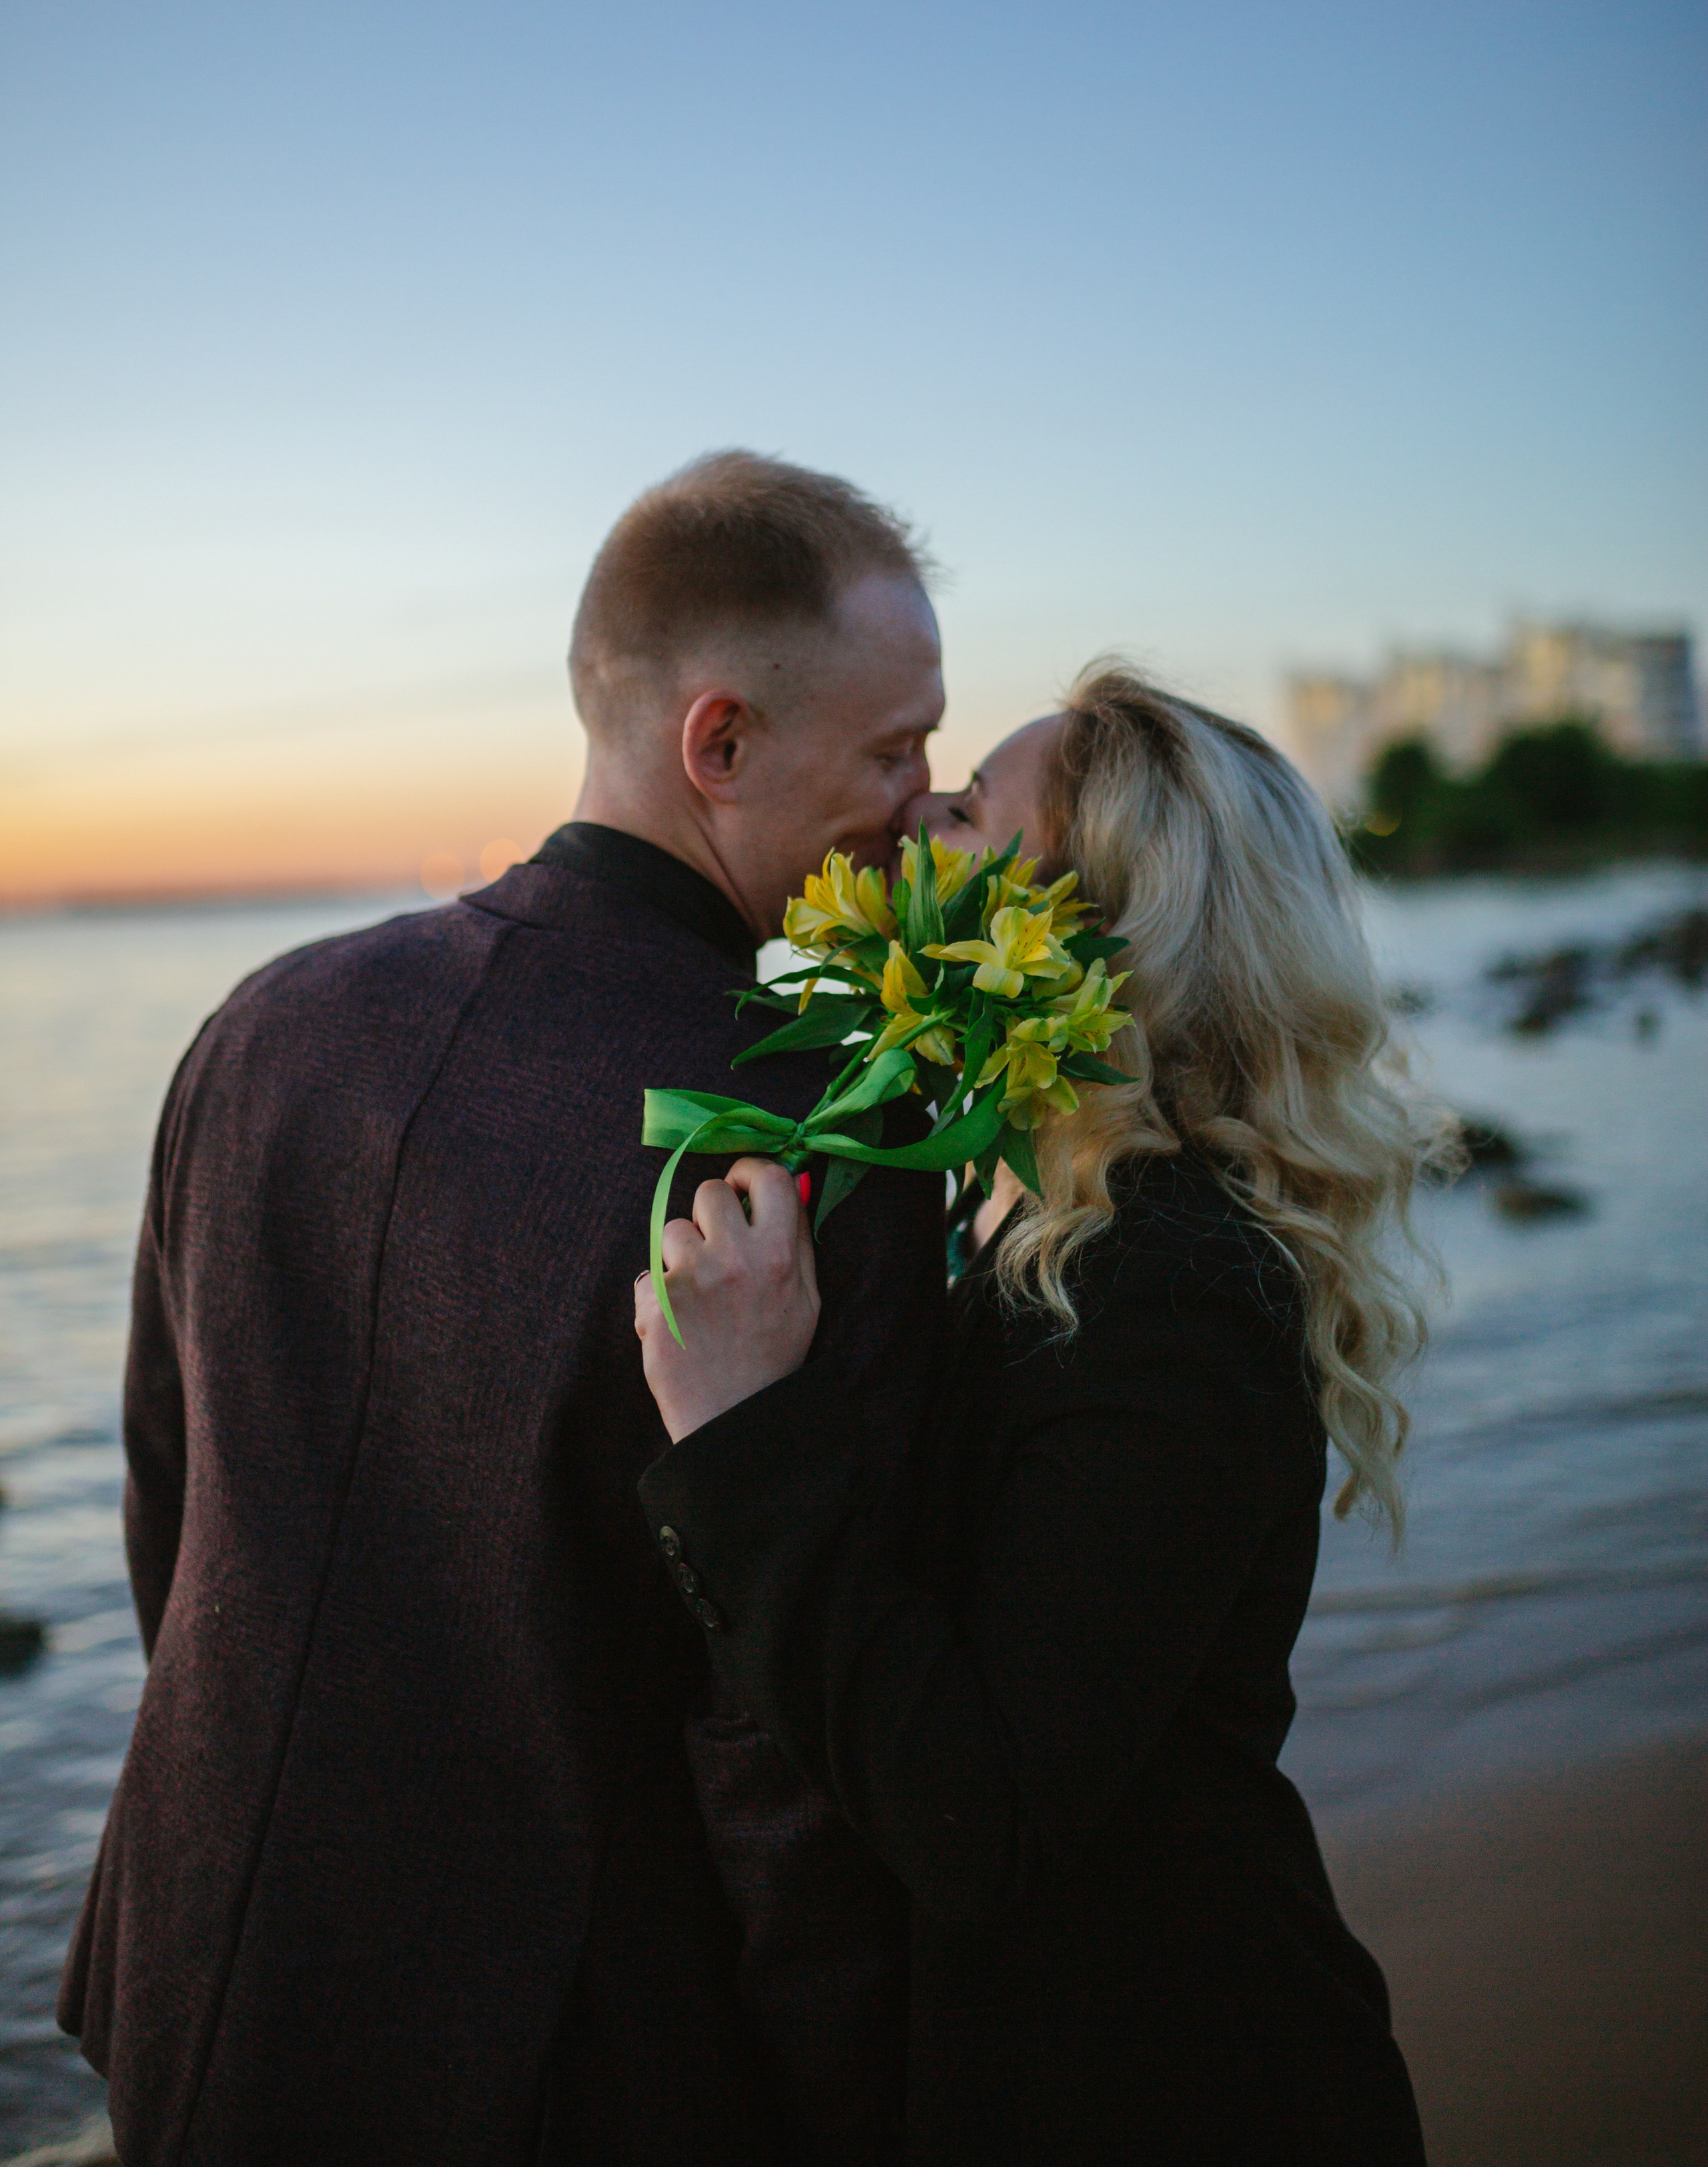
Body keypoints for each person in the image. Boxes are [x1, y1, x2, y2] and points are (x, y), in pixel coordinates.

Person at [60, 453, 950, 2167]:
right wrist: (851, 2096)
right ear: (720, 744)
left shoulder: (269, 1022)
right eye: (894, 748)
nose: (919, 800)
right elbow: (781, 1722)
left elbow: (171, 1509)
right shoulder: (810, 1136)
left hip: (200, 1978)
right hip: (565, 2063)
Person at [634, 661, 1436, 2166]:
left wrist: (740, 1436)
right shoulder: (1034, 1213)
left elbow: (977, 1813)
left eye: (969, 805)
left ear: (1085, 932)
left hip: (1183, 2086)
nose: (917, 808)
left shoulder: (1173, 1287)